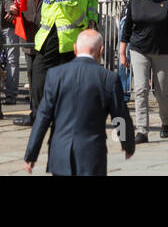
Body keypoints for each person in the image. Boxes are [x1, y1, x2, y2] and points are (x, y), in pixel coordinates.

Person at [16, 0, 97, 128]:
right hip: (76, 32)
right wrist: (88, 20)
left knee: (39, 72)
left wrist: (72, 17)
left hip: (56, 29)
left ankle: (38, 116)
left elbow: (64, 0)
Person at [23, 30, 134, 176]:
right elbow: (120, 117)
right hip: (92, 155)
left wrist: (31, 154)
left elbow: (43, 117)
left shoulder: (56, 75)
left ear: (75, 48)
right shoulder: (108, 78)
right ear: (101, 51)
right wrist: (127, 145)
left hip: (60, 154)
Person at [118, 0, 168, 143]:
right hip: (139, 50)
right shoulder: (134, 1)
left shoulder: (166, 1)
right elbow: (127, 29)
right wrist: (122, 52)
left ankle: (166, 121)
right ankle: (142, 130)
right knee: (140, 90)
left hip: (162, 50)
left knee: (161, 90)